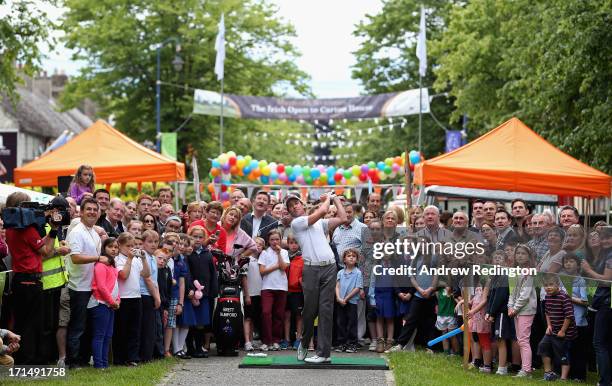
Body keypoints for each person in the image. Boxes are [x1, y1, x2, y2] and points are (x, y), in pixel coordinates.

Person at [286, 193, 347, 363]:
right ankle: (305, 342)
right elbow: (322, 211)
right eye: (290, 207)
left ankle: (323, 354)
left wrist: (335, 199)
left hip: (329, 267)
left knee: (326, 310)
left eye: (296, 203)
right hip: (311, 269)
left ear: (302, 204)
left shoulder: (321, 224)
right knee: (309, 311)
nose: (294, 207)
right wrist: (328, 198)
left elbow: (342, 217)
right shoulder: (297, 223)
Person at [4, 192, 58, 364]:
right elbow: (46, 251)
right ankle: (29, 361)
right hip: (31, 281)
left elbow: (35, 246)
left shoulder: (11, 228)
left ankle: (20, 359)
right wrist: (54, 230)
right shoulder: (28, 230)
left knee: (20, 322)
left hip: (19, 280)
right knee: (32, 324)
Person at [66, 197, 107, 368]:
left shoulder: (93, 232)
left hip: (92, 286)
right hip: (78, 286)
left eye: (94, 209)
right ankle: (72, 361)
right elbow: (75, 258)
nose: (91, 212)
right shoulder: (77, 232)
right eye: (88, 209)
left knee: (88, 326)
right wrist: (98, 258)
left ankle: (83, 359)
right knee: (77, 326)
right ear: (81, 212)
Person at [579, 226, 612, 386]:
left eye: (608, 238)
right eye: (603, 238)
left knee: (599, 343)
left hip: (607, 304)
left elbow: (606, 281)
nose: (605, 241)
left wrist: (588, 270)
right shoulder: (605, 254)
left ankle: (605, 381)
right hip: (604, 303)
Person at [113, 232, 151, 366]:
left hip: (136, 297)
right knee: (121, 329)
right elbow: (123, 275)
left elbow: (146, 274)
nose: (131, 248)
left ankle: (132, 357)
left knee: (135, 329)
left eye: (133, 245)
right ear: (120, 245)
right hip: (123, 298)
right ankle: (119, 358)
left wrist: (144, 258)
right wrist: (129, 259)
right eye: (128, 246)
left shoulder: (136, 259)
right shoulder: (117, 260)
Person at [184, 226, 217, 358]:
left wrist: (213, 290)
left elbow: (212, 273)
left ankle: (199, 346)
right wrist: (190, 288)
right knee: (191, 321)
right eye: (194, 237)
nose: (197, 240)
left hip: (205, 294)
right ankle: (190, 348)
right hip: (192, 293)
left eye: (200, 237)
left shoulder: (207, 253)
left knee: (201, 322)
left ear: (204, 239)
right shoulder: (188, 254)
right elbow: (187, 273)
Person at [88, 237, 120, 369]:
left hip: (110, 305)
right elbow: (101, 287)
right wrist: (112, 301)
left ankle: (105, 364)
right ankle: (99, 364)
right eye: (110, 247)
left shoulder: (112, 266)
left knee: (108, 335)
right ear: (103, 248)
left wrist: (118, 300)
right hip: (100, 303)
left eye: (116, 247)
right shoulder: (100, 265)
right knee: (100, 335)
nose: (113, 249)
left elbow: (115, 285)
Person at [538, 274, 577, 381]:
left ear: (558, 285)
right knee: (543, 346)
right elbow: (547, 313)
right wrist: (549, 325)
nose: (548, 287)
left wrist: (563, 331)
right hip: (552, 330)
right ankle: (548, 374)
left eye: (551, 284)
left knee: (563, 353)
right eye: (546, 285)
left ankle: (563, 378)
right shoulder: (547, 296)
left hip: (565, 332)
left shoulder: (564, 297)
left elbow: (569, 316)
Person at [507, 245, 537, 378]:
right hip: (516, 309)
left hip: (526, 309)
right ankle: (525, 369)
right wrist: (510, 306)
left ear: (529, 256)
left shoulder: (529, 272)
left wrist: (515, 308)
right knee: (520, 340)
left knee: (524, 340)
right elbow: (512, 291)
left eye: (523, 253)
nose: (520, 256)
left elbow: (525, 294)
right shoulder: (515, 270)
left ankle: (527, 370)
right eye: (517, 253)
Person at [258, 230, 289, 351]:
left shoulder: (284, 252)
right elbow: (262, 271)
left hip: (281, 287)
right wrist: (276, 266)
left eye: (277, 239)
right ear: (268, 241)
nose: (275, 242)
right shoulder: (264, 253)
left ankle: (276, 340)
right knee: (266, 313)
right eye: (272, 240)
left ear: (280, 240)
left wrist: (279, 253)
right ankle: (266, 340)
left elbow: (284, 267)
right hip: (267, 287)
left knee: (279, 315)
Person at [485, 250, 513, 376]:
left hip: (501, 313)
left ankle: (502, 368)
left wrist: (492, 313)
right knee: (497, 339)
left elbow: (500, 297)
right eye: (495, 258)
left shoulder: (504, 276)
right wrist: (488, 311)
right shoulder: (494, 277)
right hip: (495, 313)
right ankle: (501, 365)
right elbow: (491, 297)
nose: (497, 260)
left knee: (501, 340)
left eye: (500, 258)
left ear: (506, 262)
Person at [562, 253, 589, 382]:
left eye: (571, 261)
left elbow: (585, 301)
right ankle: (567, 374)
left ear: (578, 265)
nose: (568, 264)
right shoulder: (562, 279)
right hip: (566, 320)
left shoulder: (581, 280)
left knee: (578, 350)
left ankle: (579, 376)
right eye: (566, 262)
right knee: (566, 348)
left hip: (578, 322)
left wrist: (569, 298)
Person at [334, 248, 363, 353]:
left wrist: (346, 298)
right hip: (340, 302)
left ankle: (352, 344)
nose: (351, 257)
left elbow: (357, 288)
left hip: (351, 302)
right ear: (344, 259)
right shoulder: (340, 272)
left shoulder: (358, 273)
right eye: (349, 256)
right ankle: (341, 343)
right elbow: (337, 286)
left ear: (357, 259)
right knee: (340, 322)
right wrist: (338, 298)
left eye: (354, 256)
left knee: (352, 323)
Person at [139, 230, 161, 363]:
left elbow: (155, 280)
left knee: (151, 327)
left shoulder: (153, 257)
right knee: (146, 327)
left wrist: (157, 295)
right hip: (144, 293)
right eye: (150, 242)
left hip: (152, 293)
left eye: (156, 242)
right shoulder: (144, 256)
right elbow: (147, 279)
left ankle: (148, 355)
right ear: (143, 243)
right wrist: (156, 297)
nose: (153, 245)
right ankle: (144, 356)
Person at [243, 237, 265, 352]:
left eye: (260, 244)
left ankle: (251, 341)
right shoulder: (247, 259)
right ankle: (246, 341)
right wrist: (247, 295)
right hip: (249, 293)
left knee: (253, 318)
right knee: (247, 318)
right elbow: (244, 277)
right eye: (255, 243)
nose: (257, 246)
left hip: (259, 294)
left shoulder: (262, 260)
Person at [284, 233, 304, 350]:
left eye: (296, 243)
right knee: (286, 315)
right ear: (288, 244)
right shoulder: (284, 256)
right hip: (285, 291)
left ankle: (298, 339)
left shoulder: (302, 258)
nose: (294, 245)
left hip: (297, 291)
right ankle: (286, 339)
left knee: (298, 316)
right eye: (291, 243)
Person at [332, 202, 367, 267]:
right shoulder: (337, 229)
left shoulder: (363, 228)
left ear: (354, 213)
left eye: (349, 212)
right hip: (339, 269)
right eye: (344, 212)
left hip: (357, 269)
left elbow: (369, 250)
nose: (347, 215)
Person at [436, 286, 459, 356]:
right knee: (444, 334)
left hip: (450, 314)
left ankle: (456, 352)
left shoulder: (452, 291)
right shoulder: (438, 291)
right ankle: (446, 353)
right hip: (441, 315)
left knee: (452, 334)